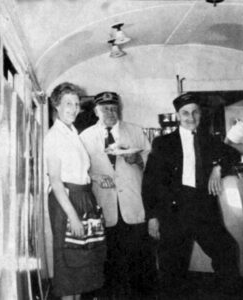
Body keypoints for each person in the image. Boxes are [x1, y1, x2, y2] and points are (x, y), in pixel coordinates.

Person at [142, 92, 241, 296]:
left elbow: (233, 155)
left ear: (200, 114)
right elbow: (150, 182)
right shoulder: (163, 143)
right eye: (185, 113)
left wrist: (218, 168)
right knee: (172, 268)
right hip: (174, 211)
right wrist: (152, 216)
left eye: (195, 112)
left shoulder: (209, 140)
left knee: (227, 251)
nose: (191, 117)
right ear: (178, 116)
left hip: (203, 208)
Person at [79, 91, 157, 299]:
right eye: (105, 109)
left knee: (139, 265)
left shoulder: (136, 131)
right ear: (96, 111)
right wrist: (96, 179)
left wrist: (137, 160)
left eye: (114, 108)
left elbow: (153, 168)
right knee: (110, 267)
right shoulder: (85, 137)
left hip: (134, 208)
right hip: (104, 209)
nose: (110, 112)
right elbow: (80, 172)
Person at [44, 82, 107, 300]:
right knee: (69, 267)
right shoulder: (54, 137)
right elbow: (56, 180)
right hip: (67, 202)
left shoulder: (72, 133)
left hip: (82, 197)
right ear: (57, 106)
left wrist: (94, 177)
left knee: (82, 266)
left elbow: (77, 170)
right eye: (68, 103)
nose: (73, 108)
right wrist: (74, 217)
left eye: (77, 104)